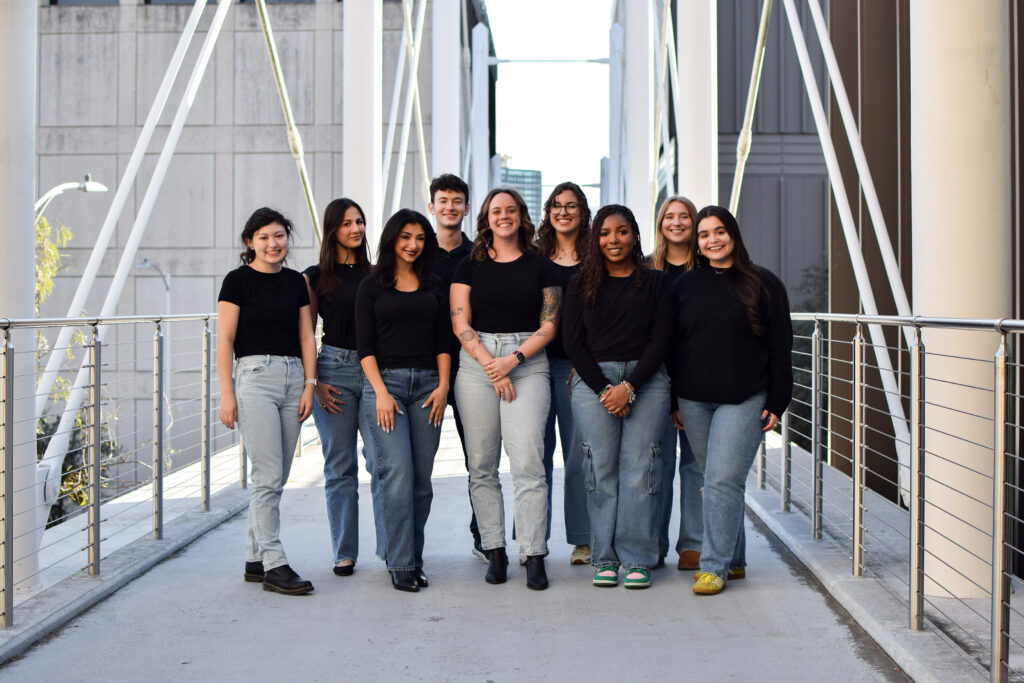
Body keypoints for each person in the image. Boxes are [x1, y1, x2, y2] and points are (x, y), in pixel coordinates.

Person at [673, 205, 793, 596]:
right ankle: (735, 559)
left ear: (733, 234)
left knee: (722, 479)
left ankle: (713, 566)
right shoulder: (685, 286)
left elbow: (781, 346)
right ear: (698, 243)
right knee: (717, 481)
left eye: (719, 231)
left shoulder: (764, 283)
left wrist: (778, 401)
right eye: (704, 235)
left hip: (744, 398)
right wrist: (675, 400)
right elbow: (674, 348)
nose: (712, 240)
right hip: (693, 399)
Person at [450, 187, 559, 590]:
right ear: (486, 218)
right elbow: (461, 323)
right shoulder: (468, 266)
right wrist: (490, 364)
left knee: (529, 461)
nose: (504, 216)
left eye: (511, 210)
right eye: (496, 211)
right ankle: (494, 550)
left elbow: (549, 325)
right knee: (481, 463)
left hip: (526, 362)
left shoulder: (541, 266)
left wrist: (512, 362)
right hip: (477, 363)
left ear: (521, 216)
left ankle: (533, 554)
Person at [563, 204, 672, 590]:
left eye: (622, 231)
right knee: (599, 469)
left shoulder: (656, 282)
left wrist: (630, 387)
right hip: (595, 382)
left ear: (635, 235)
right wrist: (606, 389)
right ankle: (605, 557)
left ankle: (638, 557)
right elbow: (572, 343)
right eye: (606, 233)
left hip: (648, 381)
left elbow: (662, 339)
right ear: (596, 238)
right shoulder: (579, 283)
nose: (614, 239)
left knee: (642, 469)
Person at [217, 207, 317, 596]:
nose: (273, 244)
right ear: (250, 242)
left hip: (294, 379)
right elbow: (225, 340)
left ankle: (254, 559)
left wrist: (309, 385)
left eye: (279, 236)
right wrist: (227, 394)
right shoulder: (237, 281)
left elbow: (307, 336)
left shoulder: (295, 282)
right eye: (264, 237)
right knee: (268, 474)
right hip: (255, 379)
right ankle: (275, 564)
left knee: (276, 474)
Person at [356, 209, 450, 593]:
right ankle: (401, 563)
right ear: (393, 238)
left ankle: (413, 556)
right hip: (387, 388)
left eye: (420, 238)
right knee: (396, 475)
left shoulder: (434, 283)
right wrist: (379, 391)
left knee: (422, 483)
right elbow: (365, 346)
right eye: (406, 237)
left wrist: (444, 387)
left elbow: (444, 341)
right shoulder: (372, 285)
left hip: (429, 388)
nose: (413, 245)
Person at [303, 198, 375, 578]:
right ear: (333, 230)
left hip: (375, 372)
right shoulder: (315, 278)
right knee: (340, 467)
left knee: (382, 463)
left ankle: (391, 548)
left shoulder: (378, 274)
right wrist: (314, 384)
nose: (356, 229)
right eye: (347, 223)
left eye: (360, 222)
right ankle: (344, 553)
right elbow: (305, 333)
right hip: (334, 371)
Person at [426, 173, 485, 561]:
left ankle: (485, 536)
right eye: (443, 200)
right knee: (414, 466)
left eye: (457, 201)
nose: (450, 207)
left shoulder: (481, 254)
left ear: (467, 207)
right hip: (423, 369)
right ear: (432, 206)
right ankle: (407, 544)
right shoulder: (413, 249)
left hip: (470, 368)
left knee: (478, 458)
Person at [535, 181, 592, 565]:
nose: (564, 212)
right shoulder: (534, 257)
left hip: (578, 370)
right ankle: (532, 540)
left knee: (578, 457)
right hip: (536, 366)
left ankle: (583, 540)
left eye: (571, 205)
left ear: (583, 212)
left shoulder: (596, 258)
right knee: (533, 456)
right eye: (556, 205)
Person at [648, 196, 703, 571]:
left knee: (696, 464)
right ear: (661, 223)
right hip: (655, 376)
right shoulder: (645, 269)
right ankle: (653, 543)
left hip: (699, 375)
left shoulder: (711, 267)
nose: (677, 222)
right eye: (670, 216)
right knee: (658, 462)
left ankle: (694, 544)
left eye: (685, 216)